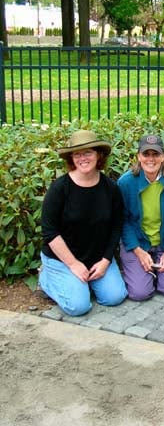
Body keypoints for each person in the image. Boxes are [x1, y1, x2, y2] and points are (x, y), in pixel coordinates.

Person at [39, 129, 128, 316]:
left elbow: (116, 226)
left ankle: (83, 282)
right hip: (63, 259)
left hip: (97, 258)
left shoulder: (110, 189)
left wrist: (105, 261)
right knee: (78, 307)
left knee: (115, 297)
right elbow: (49, 232)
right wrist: (73, 264)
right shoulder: (59, 189)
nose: (82, 158)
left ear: (98, 155)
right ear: (71, 158)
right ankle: (47, 278)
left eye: (88, 152)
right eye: (77, 154)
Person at [118, 134, 164, 301]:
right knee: (140, 293)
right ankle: (145, 273)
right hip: (137, 243)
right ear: (138, 156)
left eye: (156, 154)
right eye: (146, 154)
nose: (151, 159)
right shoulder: (125, 183)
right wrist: (138, 251)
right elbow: (123, 221)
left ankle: (156, 271)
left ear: (163, 156)